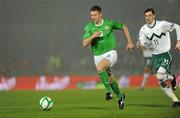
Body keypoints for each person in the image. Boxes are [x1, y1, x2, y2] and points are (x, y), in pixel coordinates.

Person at [82, 5, 134, 109]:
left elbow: (123, 27)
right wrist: (92, 36)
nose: (93, 17)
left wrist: (129, 42)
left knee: (100, 67)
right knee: (110, 79)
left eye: (95, 14)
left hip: (111, 53)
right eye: (91, 15)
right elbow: (84, 44)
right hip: (97, 56)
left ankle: (108, 92)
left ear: (101, 14)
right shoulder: (89, 27)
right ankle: (120, 96)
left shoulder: (109, 23)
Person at [136, 8, 180, 108]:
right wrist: (139, 44)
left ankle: (172, 78)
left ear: (154, 15)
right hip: (154, 56)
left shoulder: (162, 24)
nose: (148, 18)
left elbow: (177, 27)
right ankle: (176, 100)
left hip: (165, 54)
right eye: (146, 16)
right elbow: (142, 42)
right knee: (161, 81)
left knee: (159, 76)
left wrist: (178, 41)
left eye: (150, 15)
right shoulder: (143, 29)